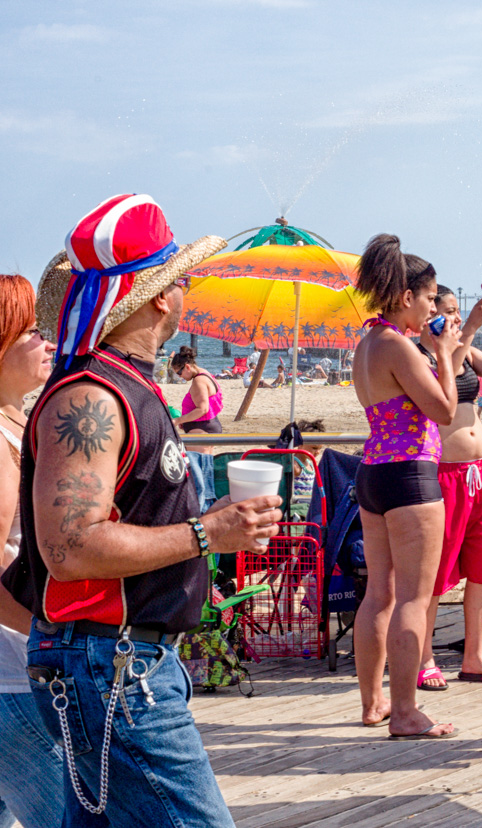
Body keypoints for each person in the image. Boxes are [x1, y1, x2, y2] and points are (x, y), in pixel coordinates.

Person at [3, 195, 280, 826]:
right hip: (115, 667)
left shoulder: (120, 388)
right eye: (180, 276)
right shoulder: (94, 398)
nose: (187, 287)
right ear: (158, 297)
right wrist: (209, 533)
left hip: (117, 664)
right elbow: (69, 549)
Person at [350, 234, 460, 739]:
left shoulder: (367, 343)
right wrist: (442, 354)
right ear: (405, 297)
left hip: (372, 471)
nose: (433, 306)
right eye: (430, 296)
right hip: (411, 472)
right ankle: (407, 711)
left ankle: (374, 703)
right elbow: (444, 409)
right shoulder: (398, 344)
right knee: (414, 596)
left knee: (379, 593)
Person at [416, 286, 482, 692]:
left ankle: (474, 657)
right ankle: (425, 657)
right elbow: (443, 386)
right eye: (450, 312)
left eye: (460, 313)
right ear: (429, 316)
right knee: (436, 574)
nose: (457, 319)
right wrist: (471, 329)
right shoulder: (419, 356)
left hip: (481, 473)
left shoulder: (466, 349)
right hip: (444, 474)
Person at [0, 274, 65, 828]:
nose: (47, 343)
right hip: (14, 673)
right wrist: (53, 637)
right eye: (33, 332)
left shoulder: (18, 419)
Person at [170, 345, 224, 434]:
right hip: (206, 425)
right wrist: (185, 419)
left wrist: (177, 420)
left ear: (187, 367)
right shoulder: (204, 372)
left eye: (179, 373)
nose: (179, 376)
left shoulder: (199, 381)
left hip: (201, 428)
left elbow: (202, 409)